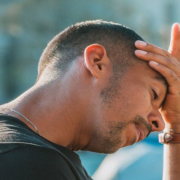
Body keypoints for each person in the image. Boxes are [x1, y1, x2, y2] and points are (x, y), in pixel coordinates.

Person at [0, 20, 179, 180]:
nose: (160, 124)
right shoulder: (27, 160)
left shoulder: (38, 157)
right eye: (154, 94)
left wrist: (176, 125)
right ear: (97, 62)